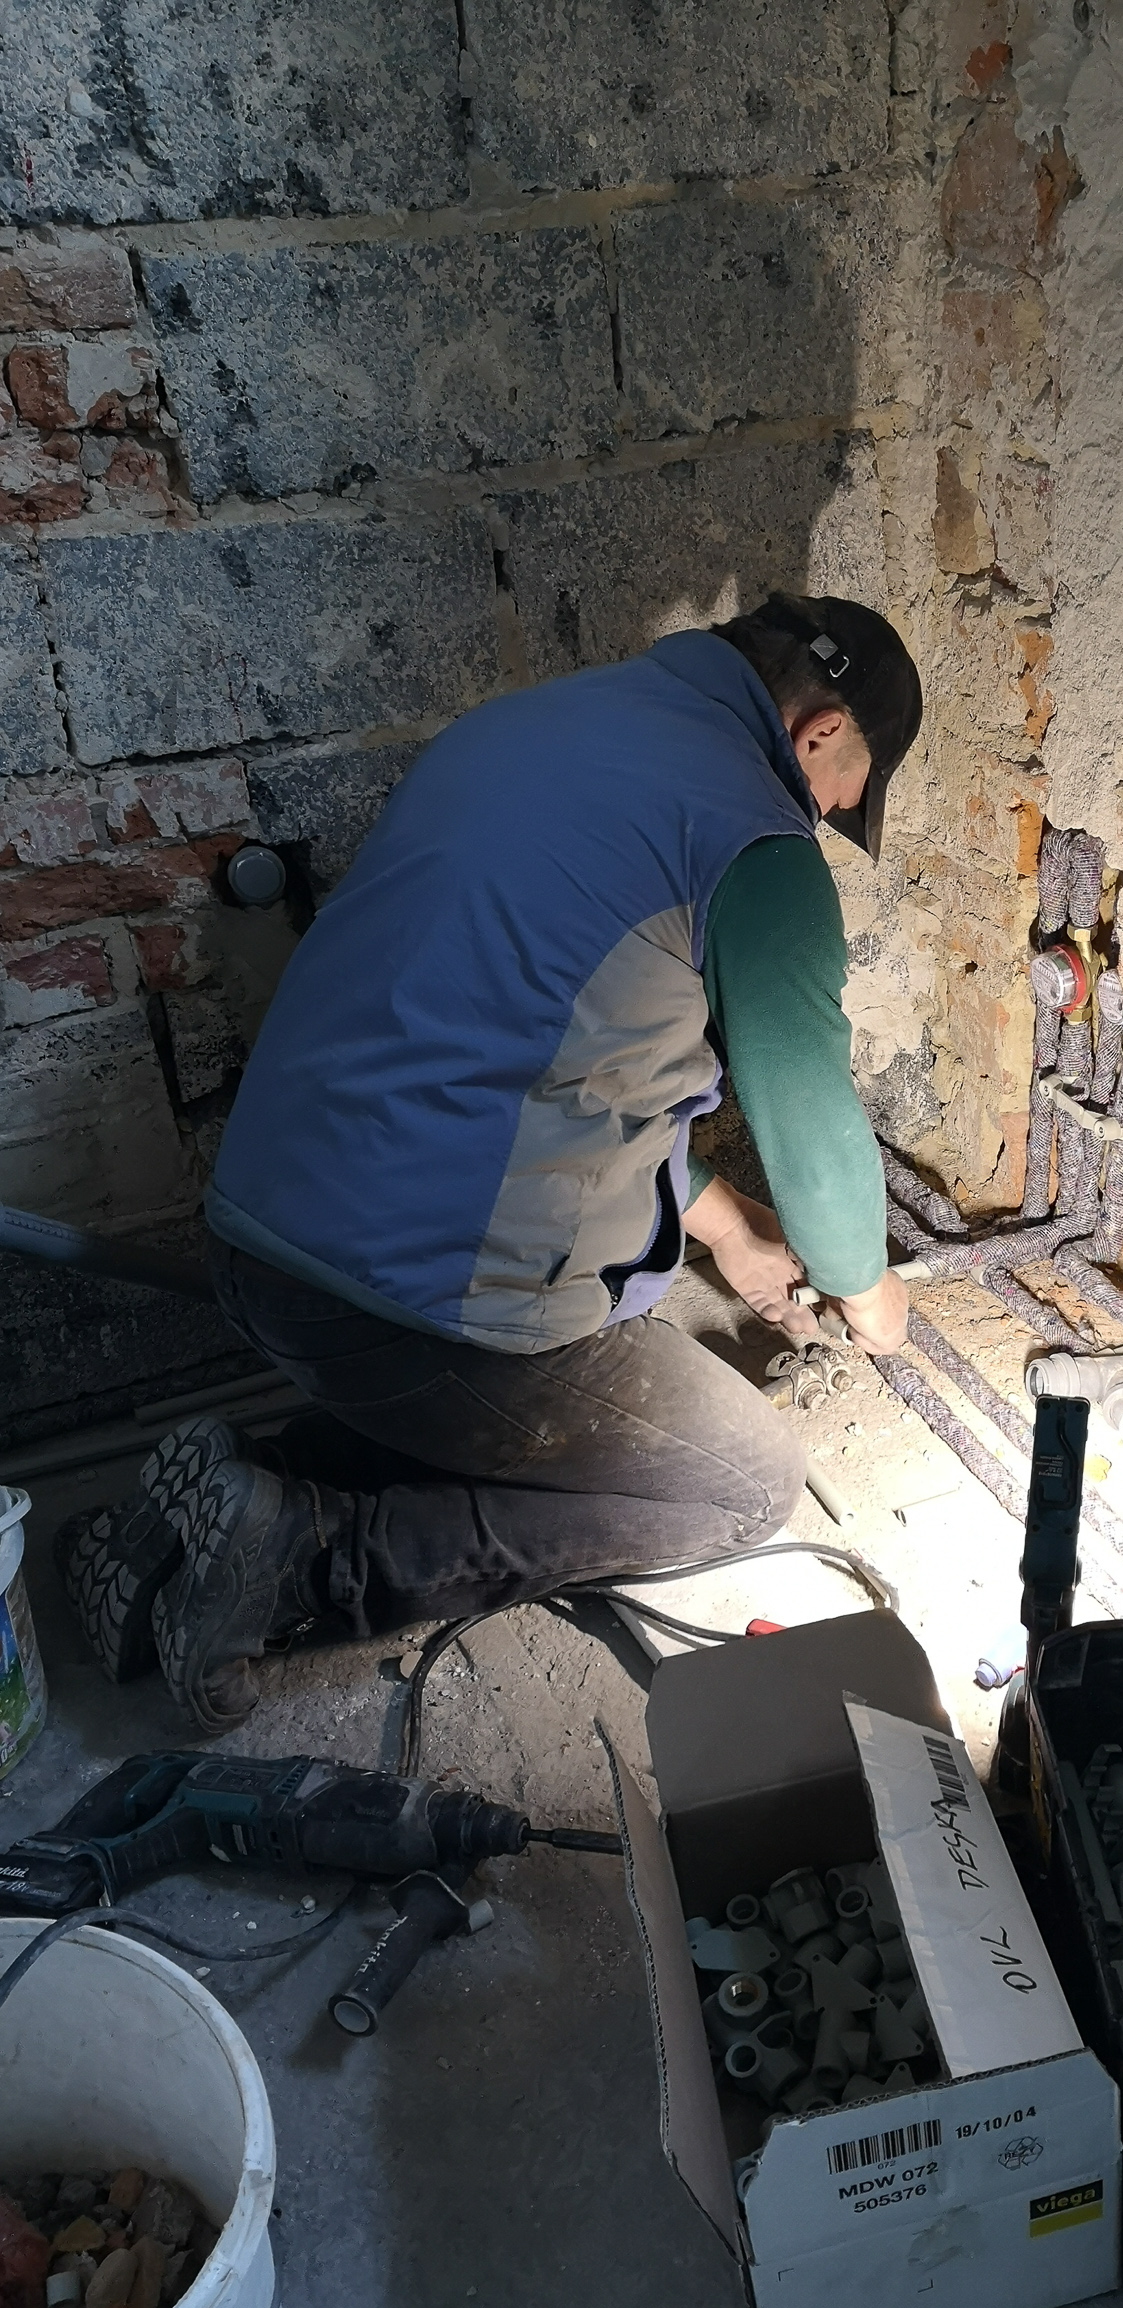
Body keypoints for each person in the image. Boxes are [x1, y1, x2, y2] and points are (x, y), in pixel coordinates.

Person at [62, 594, 923, 1729]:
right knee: (737, 1481)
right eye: (843, 792)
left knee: (490, 1404)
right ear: (820, 732)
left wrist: (727, 1231)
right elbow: (810, 1130)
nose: (826, 816)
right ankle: (305, 1564)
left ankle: (229, 1495)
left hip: (255, 1244)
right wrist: (867, 1288)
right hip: (400, 1309)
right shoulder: (757, 843)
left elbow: (542, 1065)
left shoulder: (527, 726)